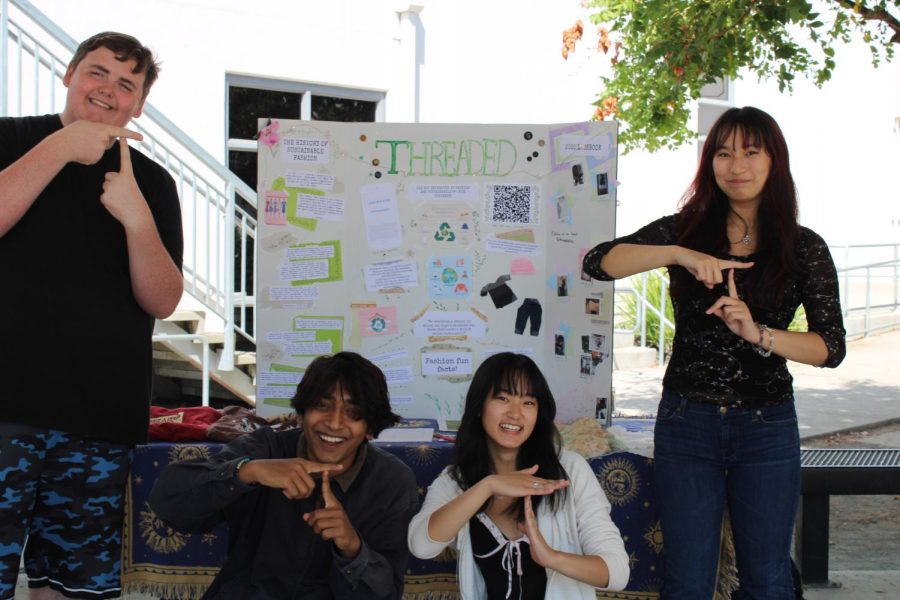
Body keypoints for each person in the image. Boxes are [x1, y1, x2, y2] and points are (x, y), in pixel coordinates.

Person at [582, 106, 846, 599]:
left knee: (767, 579)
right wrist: (679, 252)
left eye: (750, 152)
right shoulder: (686, 228)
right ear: (710, 164)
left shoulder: (803, 247)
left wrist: (759, 334)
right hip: (688, 423)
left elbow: (830, 348)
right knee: (689, 577)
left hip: (766, 426)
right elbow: (599, 262)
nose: (736, 165)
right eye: (723, 153)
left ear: (774, 162)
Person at [0, 32, 183, 599]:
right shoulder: (10, 138)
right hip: (4, 412)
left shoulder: (152, 181)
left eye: (126, 84)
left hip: (99, 422)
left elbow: (163, 299)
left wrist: (136, 218)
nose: (108, 90)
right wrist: (62, 146)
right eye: (97, 72)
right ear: (70, 74)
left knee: (73, 589)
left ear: (140, 104)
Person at [149, 352, 419, 599]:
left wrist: (352, 548)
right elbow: (169, 502)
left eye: (353, 413)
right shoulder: (264, 448)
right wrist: (246, 471)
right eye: (322, 406)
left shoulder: (392, 481)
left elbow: (387, 594)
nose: (335, 423)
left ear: (370, 429)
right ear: (302, 413)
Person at [408, 352, 630, 598]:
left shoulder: (570, 470)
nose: (515, 413)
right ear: (480, 406)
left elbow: (617, 572)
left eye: (528, 402)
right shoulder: (456, 480)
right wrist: (489, 485)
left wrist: (552, 558)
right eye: (503, 398)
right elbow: (421, 545)